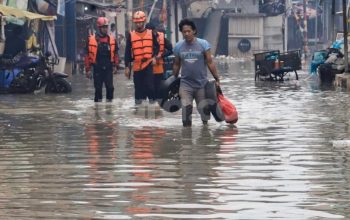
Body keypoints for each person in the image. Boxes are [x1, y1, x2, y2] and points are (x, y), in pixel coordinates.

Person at [172, 18, 221, 127]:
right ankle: (187, 134)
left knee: (203, 109)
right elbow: (176, 64)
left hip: (201, 84)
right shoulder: (178, 46)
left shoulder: (203, 44)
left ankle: (205, 129)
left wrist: (217, 79)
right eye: (184, 32)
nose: (187, 34)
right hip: (185, 84)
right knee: (186, 107)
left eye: (189, 31)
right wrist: (172, 80)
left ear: (194, 31)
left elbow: (210, 62)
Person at [124, 11, 159, 105]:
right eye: (137, 23)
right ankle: (138, 112)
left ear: (144, 22)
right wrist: (127, 67)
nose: (138, 24)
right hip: (137, 66)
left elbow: (157, 47)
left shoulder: (151, 33)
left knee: (150, 87)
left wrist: (154, 57)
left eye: (140, 22)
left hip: (148, 64)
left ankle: (153, 107)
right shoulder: (131, 35)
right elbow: (127, 52)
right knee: (139, 91)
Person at [85, 17, 118, 102]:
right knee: (98, 89)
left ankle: (109, 108)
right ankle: (97, 110)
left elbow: (115, 54)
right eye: (103, 27)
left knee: (110, 88)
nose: (105, 29)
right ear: (99, 28)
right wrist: (88, 69)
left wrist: (115, 65)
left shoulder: (112, 39)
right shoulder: (91, 39)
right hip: (97, 68)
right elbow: (87, 55)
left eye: (106, 27)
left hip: (108, 68)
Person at [145, 23, 173, 102]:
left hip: (159, 68)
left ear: (154, 31)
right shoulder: (144, 39)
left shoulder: (161, 38)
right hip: (147, 68)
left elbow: (171, 50)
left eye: (151, 32)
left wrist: (161, 56)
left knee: (158, 89)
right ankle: (152, 104)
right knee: (149, 89)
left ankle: (157, 107)